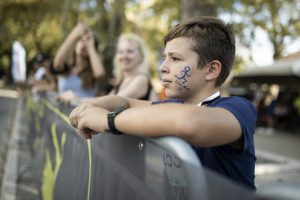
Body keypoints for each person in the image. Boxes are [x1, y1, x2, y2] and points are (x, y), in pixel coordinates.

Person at [69, 16, 257, 190]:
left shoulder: (238, 108)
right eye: (165, 57)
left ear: (211, 69)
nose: (162, 67)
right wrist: (88, 105)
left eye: (175, 59)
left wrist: (107, 120)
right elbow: (124, 100)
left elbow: (189, 123)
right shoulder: (173, 105)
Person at [52, 23, 105, 103]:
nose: (83, 44)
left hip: (84, 113)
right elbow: (56, 64)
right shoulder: (67, 67)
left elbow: (100, 73)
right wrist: (73, 35)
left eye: (86, 41)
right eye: (80, 40)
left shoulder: (92, 70)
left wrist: (90, 46)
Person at [107, 33, 152, 100]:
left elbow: (113, 102)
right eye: (121, 52)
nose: (124, 56)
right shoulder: (121, 81)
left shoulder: (142, 79)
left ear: (141, 57)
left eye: (130, 51)